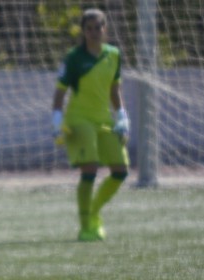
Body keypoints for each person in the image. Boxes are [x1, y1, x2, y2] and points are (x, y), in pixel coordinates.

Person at [51, 8, 130, 241]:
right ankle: (86, 226)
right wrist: (57, 123)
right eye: (89, 28)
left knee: (120, 171)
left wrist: (122, 117)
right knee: (91, 168)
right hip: (78, 120)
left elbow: (115, 90)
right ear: (83, 31)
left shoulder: (113, 55)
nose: (94, 32)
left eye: (99, 27)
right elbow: (59, 94)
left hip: (104, 119)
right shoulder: (74, 58)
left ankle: (94, 212)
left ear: (105, 29)